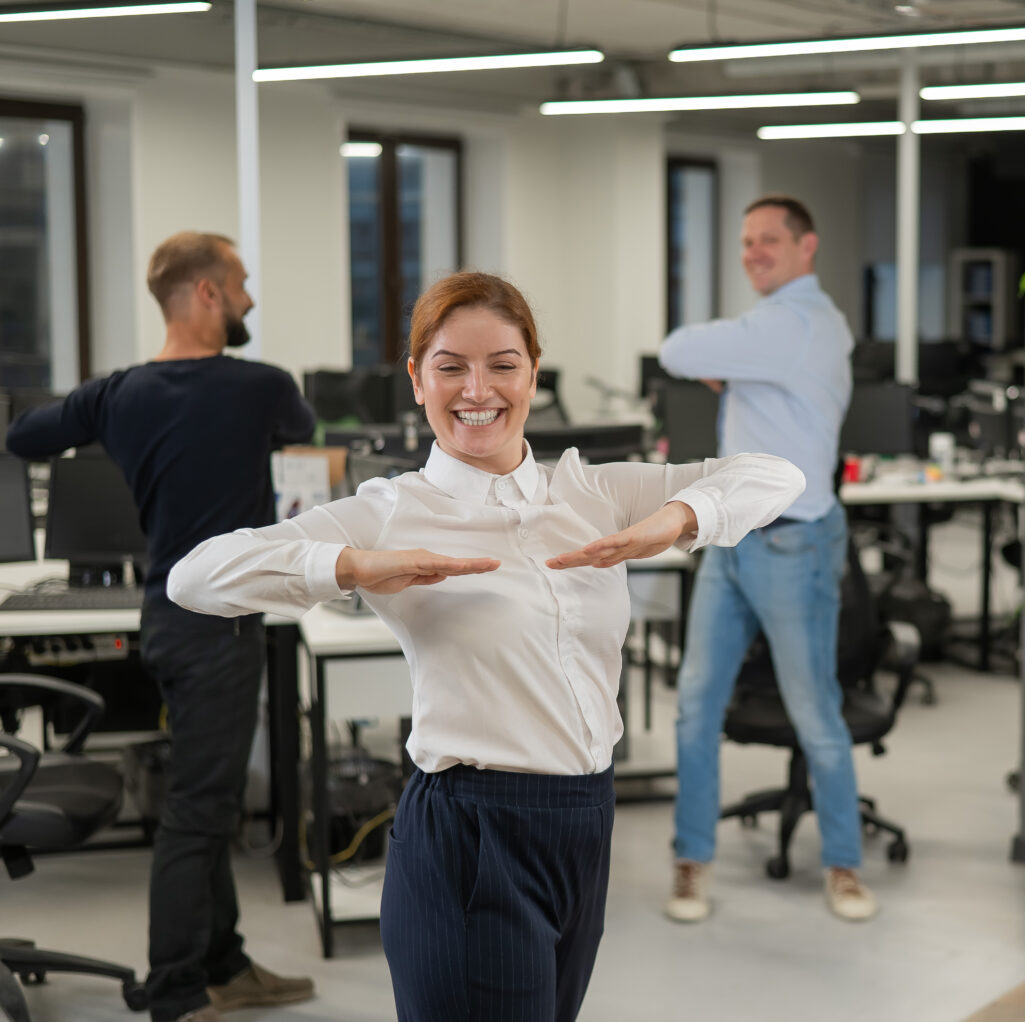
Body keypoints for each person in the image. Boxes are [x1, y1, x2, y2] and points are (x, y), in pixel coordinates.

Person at [167, 270, 805, 1021]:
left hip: (585, 824)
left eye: (503, 364)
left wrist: (677, 519)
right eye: (450, 366)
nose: (479, 389)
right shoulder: (392, 510)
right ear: (416, 379)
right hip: (473, 836)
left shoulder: (590, 492)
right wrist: (351, 565)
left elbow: (775, 474)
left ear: (533, 369)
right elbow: (195, 576)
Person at [5, 232, 318, 1022]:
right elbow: (307, 432)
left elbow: (21, 436)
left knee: (201, 799)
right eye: (240, 283)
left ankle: (225, 963)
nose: (249, 298)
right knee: (197, 812)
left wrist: (103, 410)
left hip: (166, 621)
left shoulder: (119, 394)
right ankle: (179, 991)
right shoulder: (261, 388)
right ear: (207, 292)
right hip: (221, 628)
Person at [658, 194, 874, 923]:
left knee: (816, 713)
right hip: (731, 536)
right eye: (746, 240)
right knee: (694, 706)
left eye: (769, 241)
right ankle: (692, 861)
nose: (754, 252)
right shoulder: (784, 330)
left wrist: (725, 361)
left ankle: (845, 866)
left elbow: (676, 349)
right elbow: (718, 365)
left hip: (793, 544)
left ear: (807, 247)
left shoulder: (795, 321)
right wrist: (736, 368)